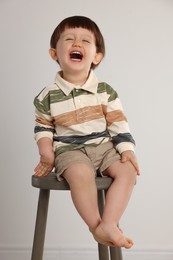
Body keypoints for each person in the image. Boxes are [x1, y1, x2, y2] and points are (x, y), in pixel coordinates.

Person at [34, 15, 140, 249]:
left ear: (96, 56)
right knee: (81, 174)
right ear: (54, 54)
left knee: (128, 170)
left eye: (85, 41)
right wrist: (46, 151)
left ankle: (109, 223)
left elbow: (118, 124)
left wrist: (127, 149)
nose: (77, 44)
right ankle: (96, 226)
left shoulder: (105, 91)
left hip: (103, 147)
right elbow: (43, 127)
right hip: (69, 150)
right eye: (69, 39)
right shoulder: (47, 95)